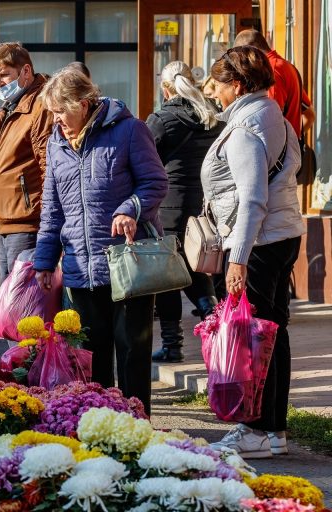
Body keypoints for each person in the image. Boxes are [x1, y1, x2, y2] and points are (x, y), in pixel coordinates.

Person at [33, 64, 168, 415]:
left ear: (84, 102)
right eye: (52, 113)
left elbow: (155, 182)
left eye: (61, 111)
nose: (56, 120)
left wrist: (130, 209)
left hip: (127, 263)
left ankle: (137, 422)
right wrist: (45, 260)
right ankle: (101, 423)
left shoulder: (129, 131)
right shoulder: (56, 143)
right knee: (90, 356)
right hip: (80, 265)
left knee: (132, 351)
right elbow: (52, 208)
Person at [204, 46, 305, 458]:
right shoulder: (274, 114)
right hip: (281, 235)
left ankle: (257, 429)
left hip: (259, 242)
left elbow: (252, 199)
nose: (215, 92)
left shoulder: (246, 126)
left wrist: (238, 257)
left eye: (220, 85)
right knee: (272, 334)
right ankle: (274, 430)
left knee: (252, 338)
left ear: (239, 84)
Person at [145, 61, 225, 363]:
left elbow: (143, 159)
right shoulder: (212, 116)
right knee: (192, 268)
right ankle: (215, 323)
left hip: (168, 209)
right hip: (203, 206)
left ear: (166, 88)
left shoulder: (162, 120)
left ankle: (173, 344)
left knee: (167, 276)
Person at [0, 43, 54, 284]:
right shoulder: (6, 111)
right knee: (8, 295)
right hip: (5, 220)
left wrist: (47, 217)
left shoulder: (40, 106)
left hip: (27, 221)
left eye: (4, 75)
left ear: (25, 71)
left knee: (21, 297)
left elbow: (48, 166)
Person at [233, 29, 315, 138]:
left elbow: (270, 122)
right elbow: (310, 115)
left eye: (241, 56)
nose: (242, 62)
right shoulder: (286, 66)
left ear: (251, 49)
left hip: (277, 151)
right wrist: (294, 140)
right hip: (286, 149)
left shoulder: (271, 70)